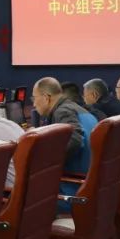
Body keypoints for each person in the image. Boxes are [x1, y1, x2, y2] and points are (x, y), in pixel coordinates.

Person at [33, 78, 98, 209]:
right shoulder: (78, 109)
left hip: (75, 189)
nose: (34, 104)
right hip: (91, 185)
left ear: (46, 97)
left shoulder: (62, 111)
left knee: (27, 199)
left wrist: (45, 158)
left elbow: (75, 140)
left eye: (34, 98)